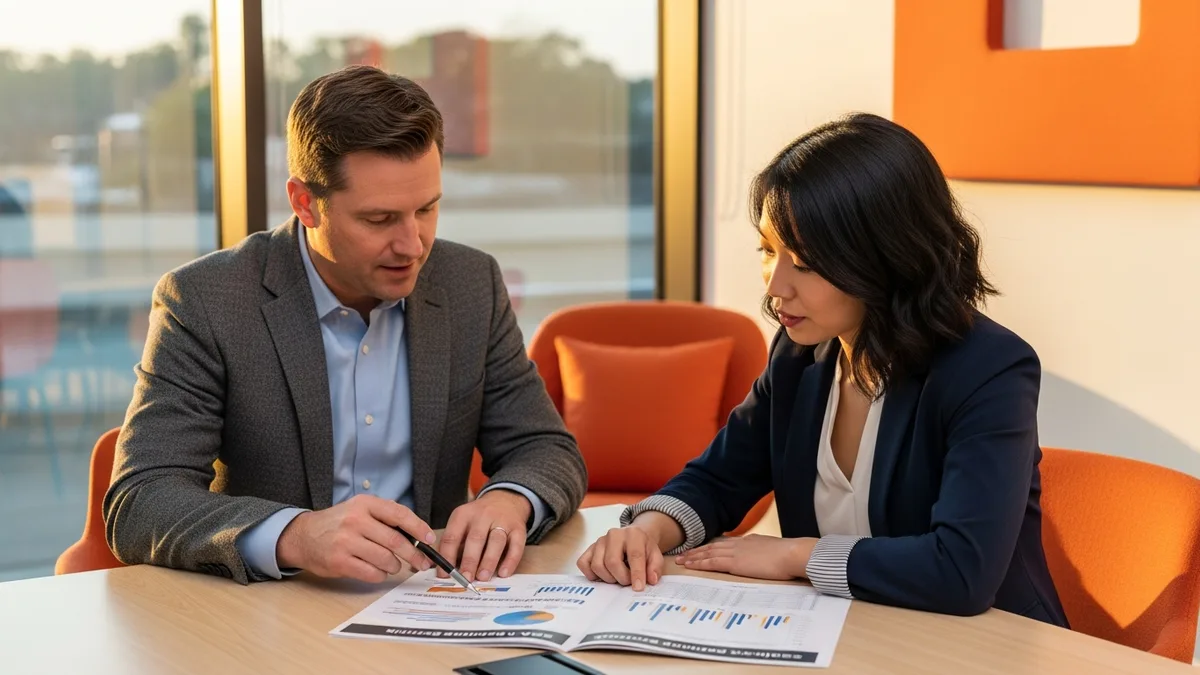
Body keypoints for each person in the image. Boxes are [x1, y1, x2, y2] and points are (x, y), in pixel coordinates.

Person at [576, 113, 1070, 626]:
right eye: (769, 250)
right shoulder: (799, 354)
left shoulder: (988, 369)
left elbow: (962, 571)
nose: (775, 286)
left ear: (886, 257)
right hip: (848, 635)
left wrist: (798, 556)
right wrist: (650, 529)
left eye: (805, 263)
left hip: (987, 646)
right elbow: (719, 479)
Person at [104, 65, 587, 586]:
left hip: (433, 601)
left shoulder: (471, 282)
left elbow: (545, 448)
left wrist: (510, 501)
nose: (413, 244)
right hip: (272, 613)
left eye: (426, 209)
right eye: (379, 219)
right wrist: (296, 535)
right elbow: (141, 499)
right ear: (305, 202)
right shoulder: (207, 300)